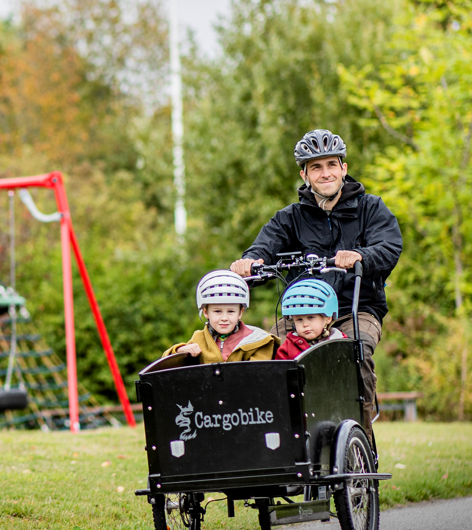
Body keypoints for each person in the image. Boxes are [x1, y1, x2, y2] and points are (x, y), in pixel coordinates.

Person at [229, 129, 402, 437]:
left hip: (355, 308)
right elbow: (262, 248)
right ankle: (275, 439)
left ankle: (360, 440)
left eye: (331, 165)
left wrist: (359, 256)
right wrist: (250, 263)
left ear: (344, 168)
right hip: (301, 313)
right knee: (265, 355)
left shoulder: (371, 208)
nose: (325, 173)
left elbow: (388, 247)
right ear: (305, 174)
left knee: (353, 353)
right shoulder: (290, 217)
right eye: (316, 167)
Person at [163, 270, 276, 363]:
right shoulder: (199, 338)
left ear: (240, 313)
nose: (224, 318)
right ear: (206, 312)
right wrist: (180, 350)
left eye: (231, 311)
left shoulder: (258, 340)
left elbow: (260, 375)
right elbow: (165, 363)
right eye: (217, 311)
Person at [275, 279, 345, 360]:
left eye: (311, 317)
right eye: (299, 320)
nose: (305, 324)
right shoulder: (288, 347)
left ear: (328, 318)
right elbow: (280, 370)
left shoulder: (339, 342)